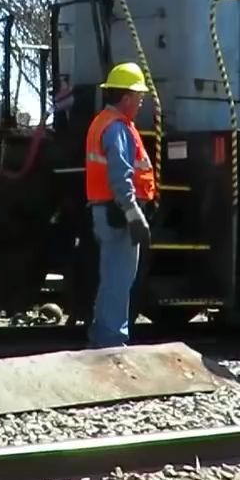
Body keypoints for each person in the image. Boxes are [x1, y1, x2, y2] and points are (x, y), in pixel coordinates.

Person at [84, 62, 156, 348]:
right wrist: (133, 213)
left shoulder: (103, 122)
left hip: (105, 210)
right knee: (119, 280)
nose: (140, 103)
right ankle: (112, 342)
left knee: (111, 277)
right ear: (126, 97)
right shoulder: (117, 129)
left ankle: (102, 336)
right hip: (118, 213)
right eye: (138, 98)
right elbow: (120, 175)